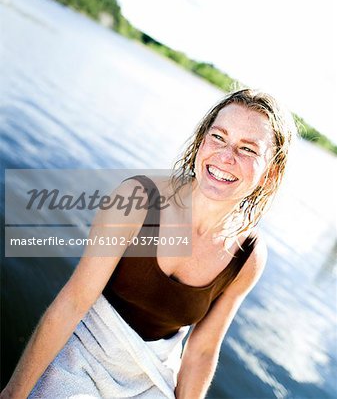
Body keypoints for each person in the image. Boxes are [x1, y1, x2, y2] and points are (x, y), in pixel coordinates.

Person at [0, 89, 295, 399]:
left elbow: (202, 351)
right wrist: (14, 393)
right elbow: (74, 301)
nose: (226, 156)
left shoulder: (247, 257)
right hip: (82, 358)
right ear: (201, 141)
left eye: (247, 149)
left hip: (152, 379)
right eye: (218, 137)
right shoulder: (137, 200)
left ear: (270, 174)